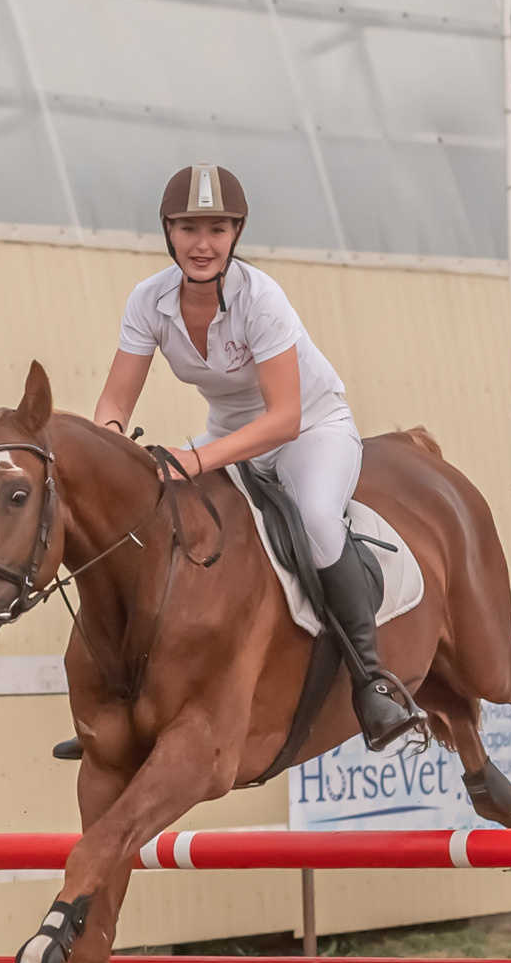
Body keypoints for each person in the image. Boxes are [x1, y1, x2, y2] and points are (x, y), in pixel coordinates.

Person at [64, 163, 423, 757]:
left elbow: (282, 418)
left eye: (217, 229)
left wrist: (197, 458)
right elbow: (114, 404)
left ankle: (372, 680)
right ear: (168, 232)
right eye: (188, 228)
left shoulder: (262, 299)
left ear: (235, 234)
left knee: (314, 518)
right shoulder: (149, 301)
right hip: (229, 434)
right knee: (156, 523)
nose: (202, 244)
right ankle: (127, 700)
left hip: (309, 430)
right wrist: (108, 450)